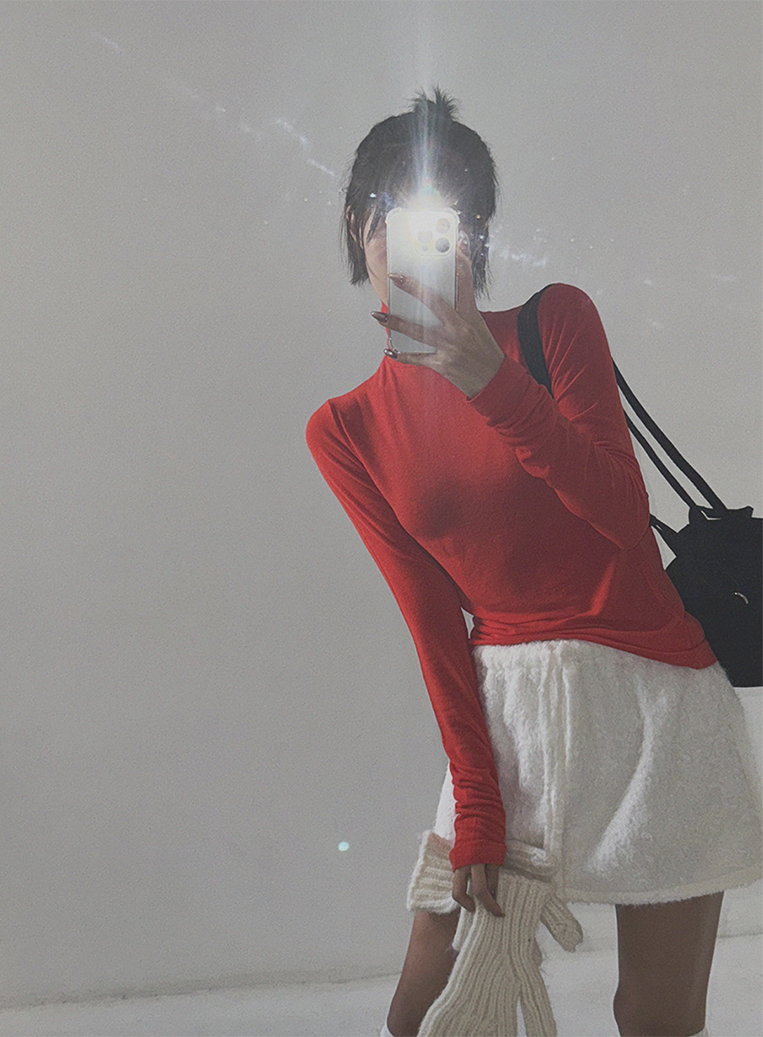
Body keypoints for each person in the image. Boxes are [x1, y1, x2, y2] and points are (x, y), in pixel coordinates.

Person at [305, 88, 763, 1037]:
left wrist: (489, 379)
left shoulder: (555, 324)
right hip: (510, 721)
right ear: (357, 227)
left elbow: (621, 515)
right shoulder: (345, 429)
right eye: (392, 210)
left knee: (656, 1020)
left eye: (448, 212)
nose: (417, 236)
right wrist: (476, 799)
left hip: (655, 707)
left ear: (474, 233)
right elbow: (433, 621)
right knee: (425, 1014)